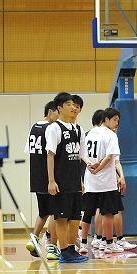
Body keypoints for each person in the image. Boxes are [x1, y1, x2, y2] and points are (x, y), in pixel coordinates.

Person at [45, 92, 87, 263]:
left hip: (75, 181)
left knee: (76, 217)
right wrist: (51, 181)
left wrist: (81, 180)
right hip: (60, 181)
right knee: (61, 218)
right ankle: (63, 251)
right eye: (68, 104)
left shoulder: (79, 129)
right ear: (59, 108)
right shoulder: (54, 128)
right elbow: (50, 155)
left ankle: (71, 249)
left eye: (73, 104)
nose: (72, 107)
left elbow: (80, 157)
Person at [80, 108, 122, 253]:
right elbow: (110, 157)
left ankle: (83, 244)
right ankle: (108, 244)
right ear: (106, 119)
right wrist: (98, 169)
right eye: (115, 120)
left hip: (90, 181)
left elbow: (82, 153)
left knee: (87, 213)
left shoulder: (90, 133)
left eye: (118, 120)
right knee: (108, 213)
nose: (117, 123)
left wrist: (89, 165)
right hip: (106, 182)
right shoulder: (111, 135)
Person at [25, 100, 60, 259]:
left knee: (43, 212)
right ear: (51, 111)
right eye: (58, 113)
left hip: (35, 176)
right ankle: (52, 247)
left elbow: (29, 150)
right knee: (55, 213)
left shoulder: (34, 127)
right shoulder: (51, 129)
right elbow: (51, 154)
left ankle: (33, 239)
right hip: (48, 176)